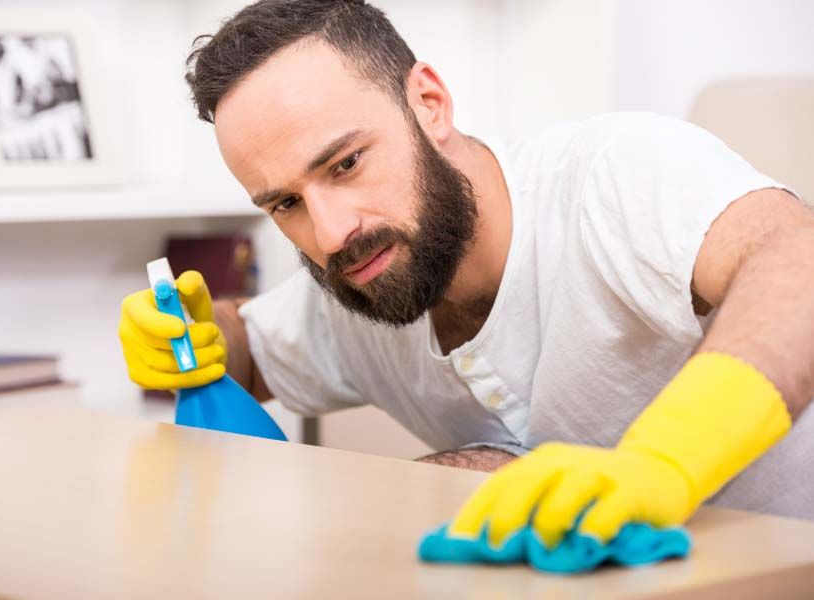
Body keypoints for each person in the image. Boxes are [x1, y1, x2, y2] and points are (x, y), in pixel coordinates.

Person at [118, 0, 814, 549]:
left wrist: (666, 459)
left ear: (429, 103)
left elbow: (797, 260)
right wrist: (196, 338)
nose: (330, 234)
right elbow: (250, 354)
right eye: (285, 204)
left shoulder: (614, 175)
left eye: (346, 164)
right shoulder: (362, 277)